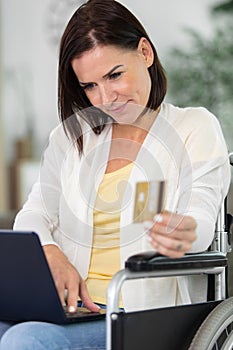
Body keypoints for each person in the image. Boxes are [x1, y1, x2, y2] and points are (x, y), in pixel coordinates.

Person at [0, 0, 231, 349]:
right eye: (90, 86)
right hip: (73, 310)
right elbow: (33, 213)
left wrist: (184, 232)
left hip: (139, 313)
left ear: (145, 52)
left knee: (26, 339)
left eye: (114, 75)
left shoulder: (193, 127)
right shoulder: (72, 137)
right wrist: (50, 251)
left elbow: (198, 219)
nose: (105, 97)